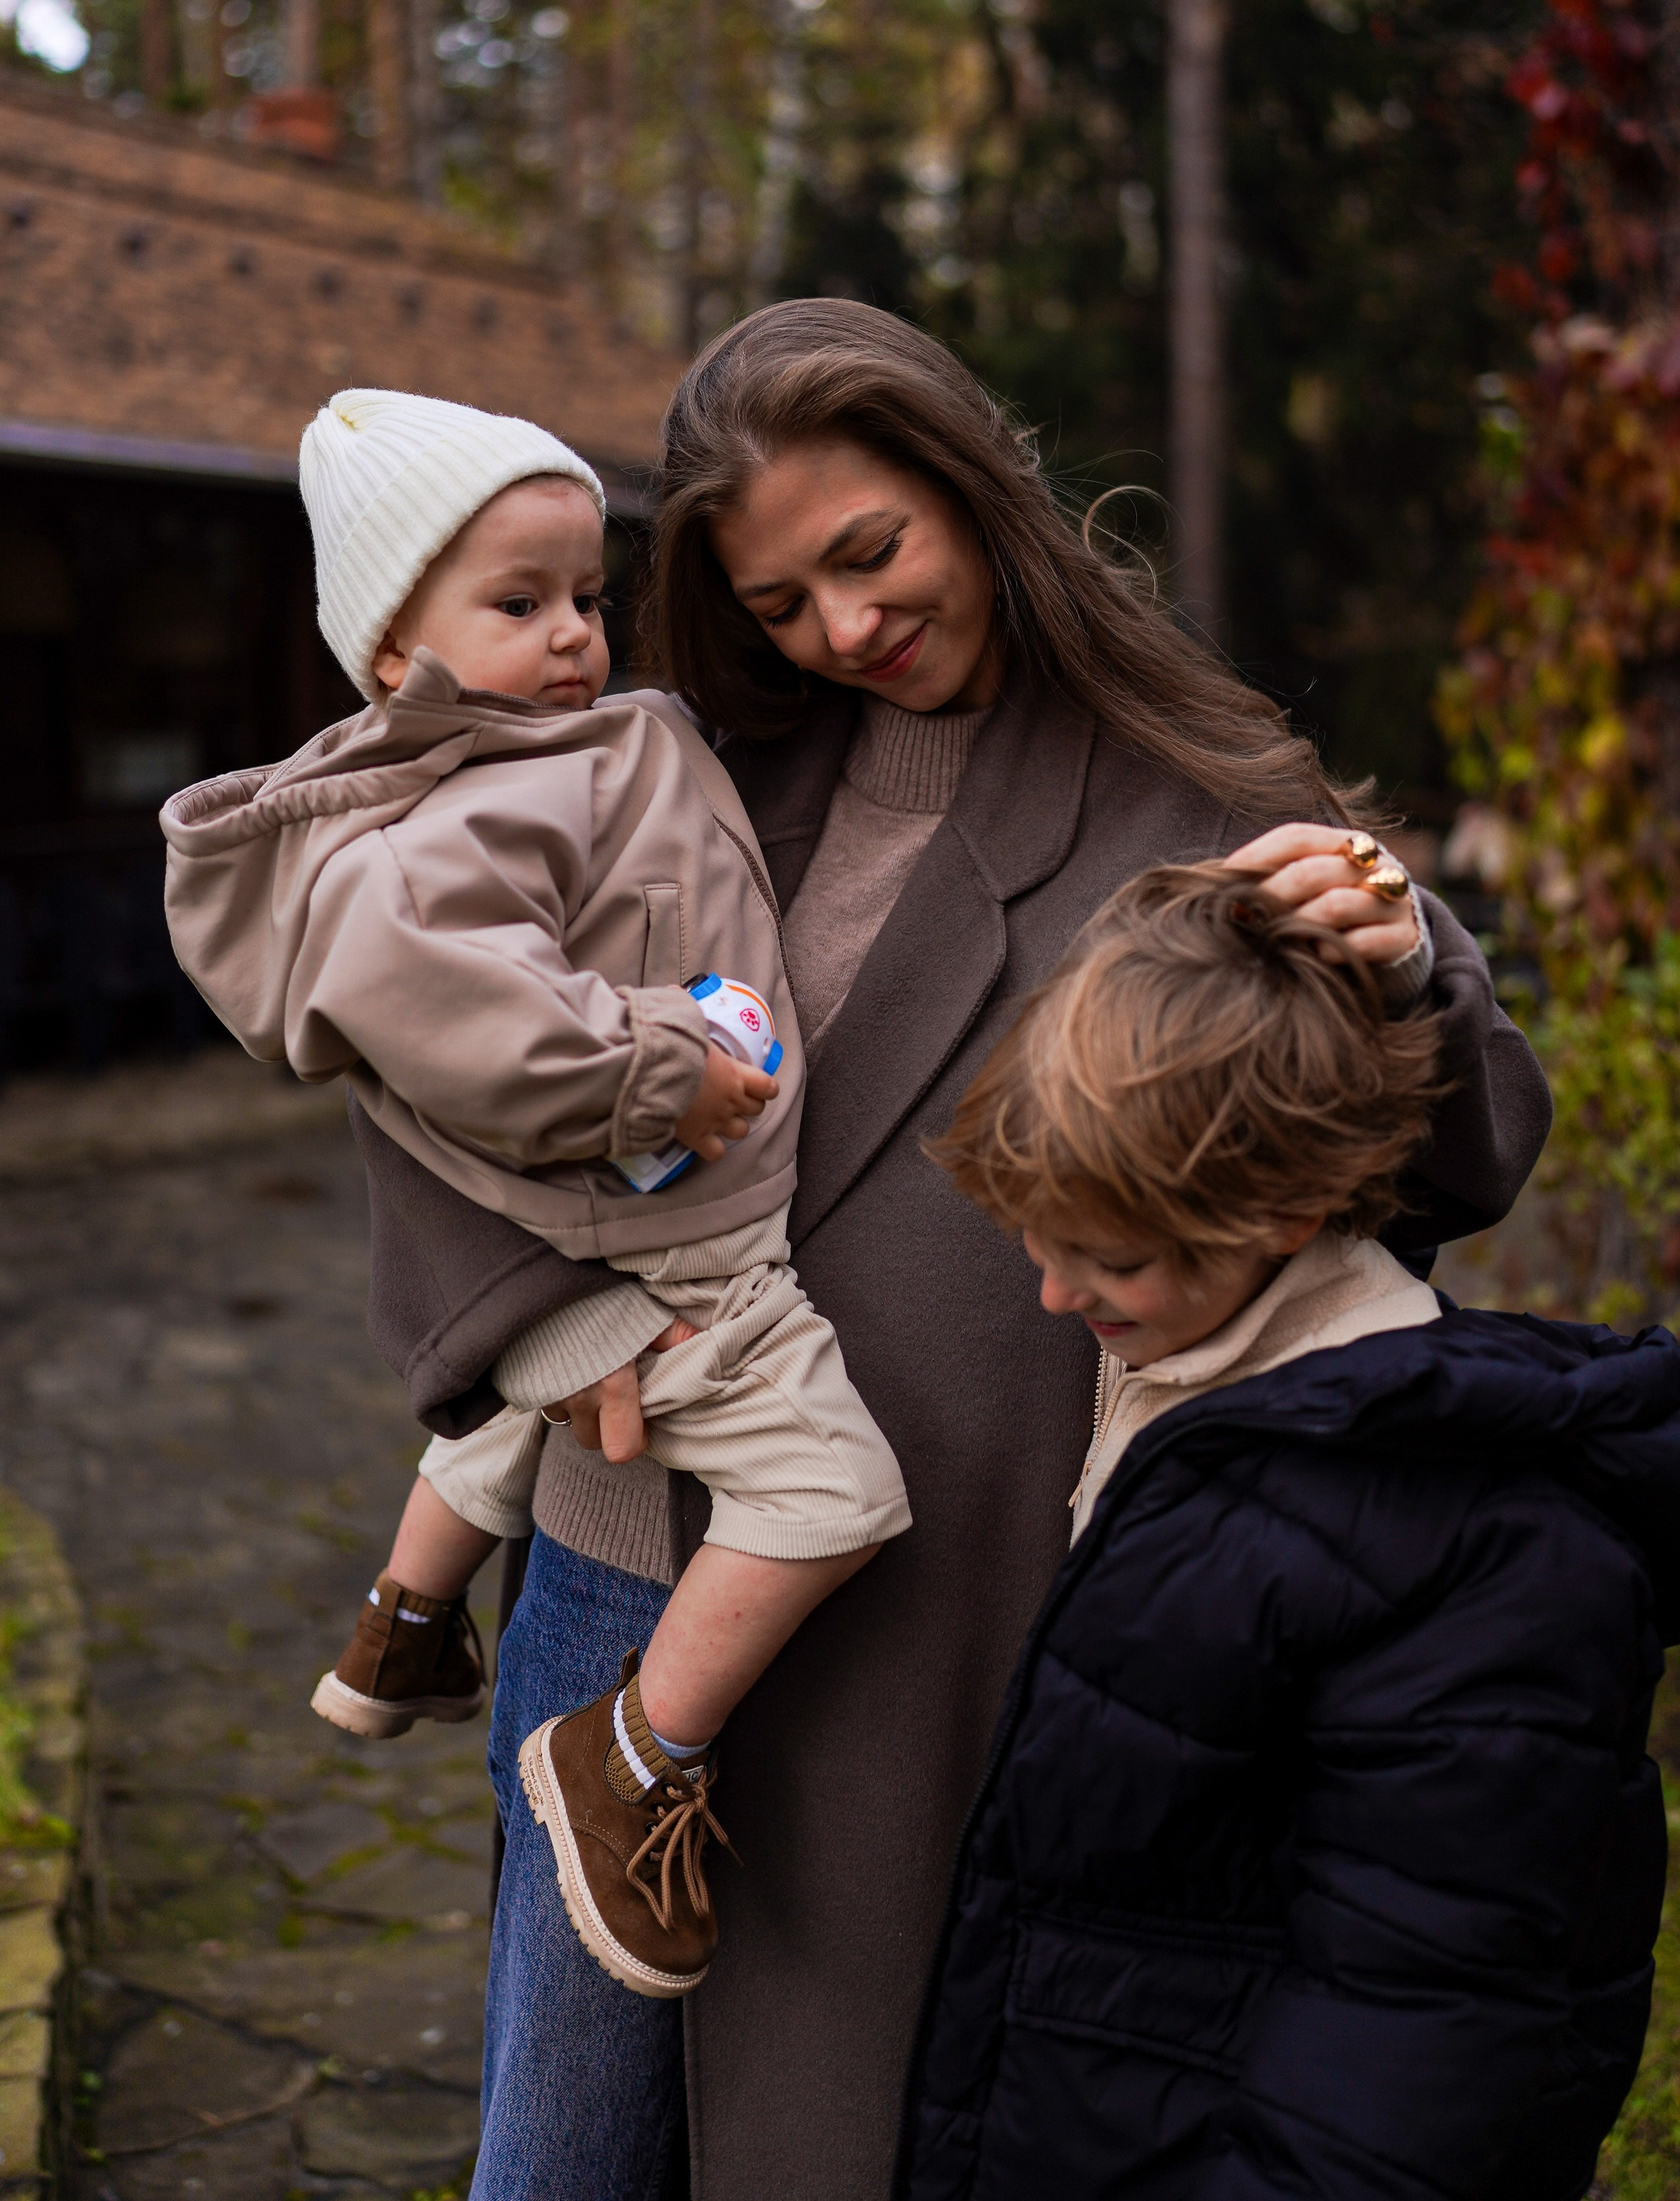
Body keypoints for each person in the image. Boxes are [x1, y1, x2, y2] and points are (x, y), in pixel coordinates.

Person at [343, 303, 1555, 2201]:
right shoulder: (669, 774)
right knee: (559, 2162)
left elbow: (1462, 1151)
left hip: (933, 1628)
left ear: (975, 489)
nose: (839, 627)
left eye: (868, 551)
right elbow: (416, 1035)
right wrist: (542, 1321)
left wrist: (1404, 962)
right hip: (611, 1581)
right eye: (775, 599)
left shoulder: (1201, 792)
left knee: (830, 2138)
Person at [160, 386, 910, 2000]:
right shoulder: (450, 817)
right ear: (389, 658)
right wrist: (658, 1074)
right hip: (686, 1244)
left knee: (501, 1415)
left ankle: (403, 1622)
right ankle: (631, 1753)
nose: (574, 636)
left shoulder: (555, 748)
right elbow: (451, 1004)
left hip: (631, 1240)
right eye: (517, 605)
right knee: (837, 1493)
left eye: (585, 595)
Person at [896, 857, 1676, 2201]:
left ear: (1282, 1211)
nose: (1049, 1291)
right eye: (1037, 1240)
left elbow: (1422, 2013)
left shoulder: (1473, 1537)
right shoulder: (1196, 1394)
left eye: (1108, 1256)